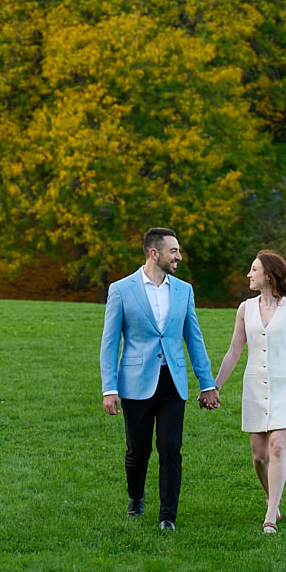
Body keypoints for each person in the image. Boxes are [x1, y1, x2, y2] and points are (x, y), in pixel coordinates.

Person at [100, 227, 220, 531]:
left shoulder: (184, 290)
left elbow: (194, 339)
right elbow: (110, 343)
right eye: (173, 251)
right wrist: (109, 387)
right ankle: (136, 498)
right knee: (137, 451)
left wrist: (207, 384)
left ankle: (168, 516)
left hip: (173, 381)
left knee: (170, 447)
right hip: (135, 381)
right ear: (154, 253)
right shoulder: (121, 289)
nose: (179, 256)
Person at [213, 250, 286, 534]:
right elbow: (234, 351)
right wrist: (215, 386)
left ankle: (271, 515)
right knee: (259, 456)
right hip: (255, 386)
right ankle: (273, 498)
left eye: (253, 269)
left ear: (268, 275)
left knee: (278, 447)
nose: (249, 274)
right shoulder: (245, 309)